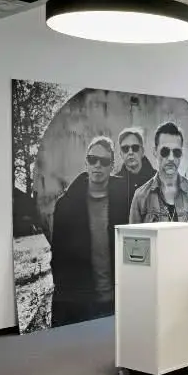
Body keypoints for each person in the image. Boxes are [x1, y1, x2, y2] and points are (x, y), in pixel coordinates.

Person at [50, 136, 129, 327]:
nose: (97, 165)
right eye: (93, 159)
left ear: (112, 166)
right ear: (86, 162)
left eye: (104, 161)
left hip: (117, 301)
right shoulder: (66, 205)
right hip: (80, 304)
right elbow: (58, 258)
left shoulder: (126, 201)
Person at [129, 121, 188, 260]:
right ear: (155, 152)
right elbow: (134, 251)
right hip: (156, 272)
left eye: (176, 152)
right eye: (165, 151)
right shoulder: (141, 197)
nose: (171, 158)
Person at [114, 127, 155, 210]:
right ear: (121, 154)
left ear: (142, 151)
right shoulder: (114, 184)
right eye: (125, 149)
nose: (130, 152)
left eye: (135, 148)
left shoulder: (157, 180)